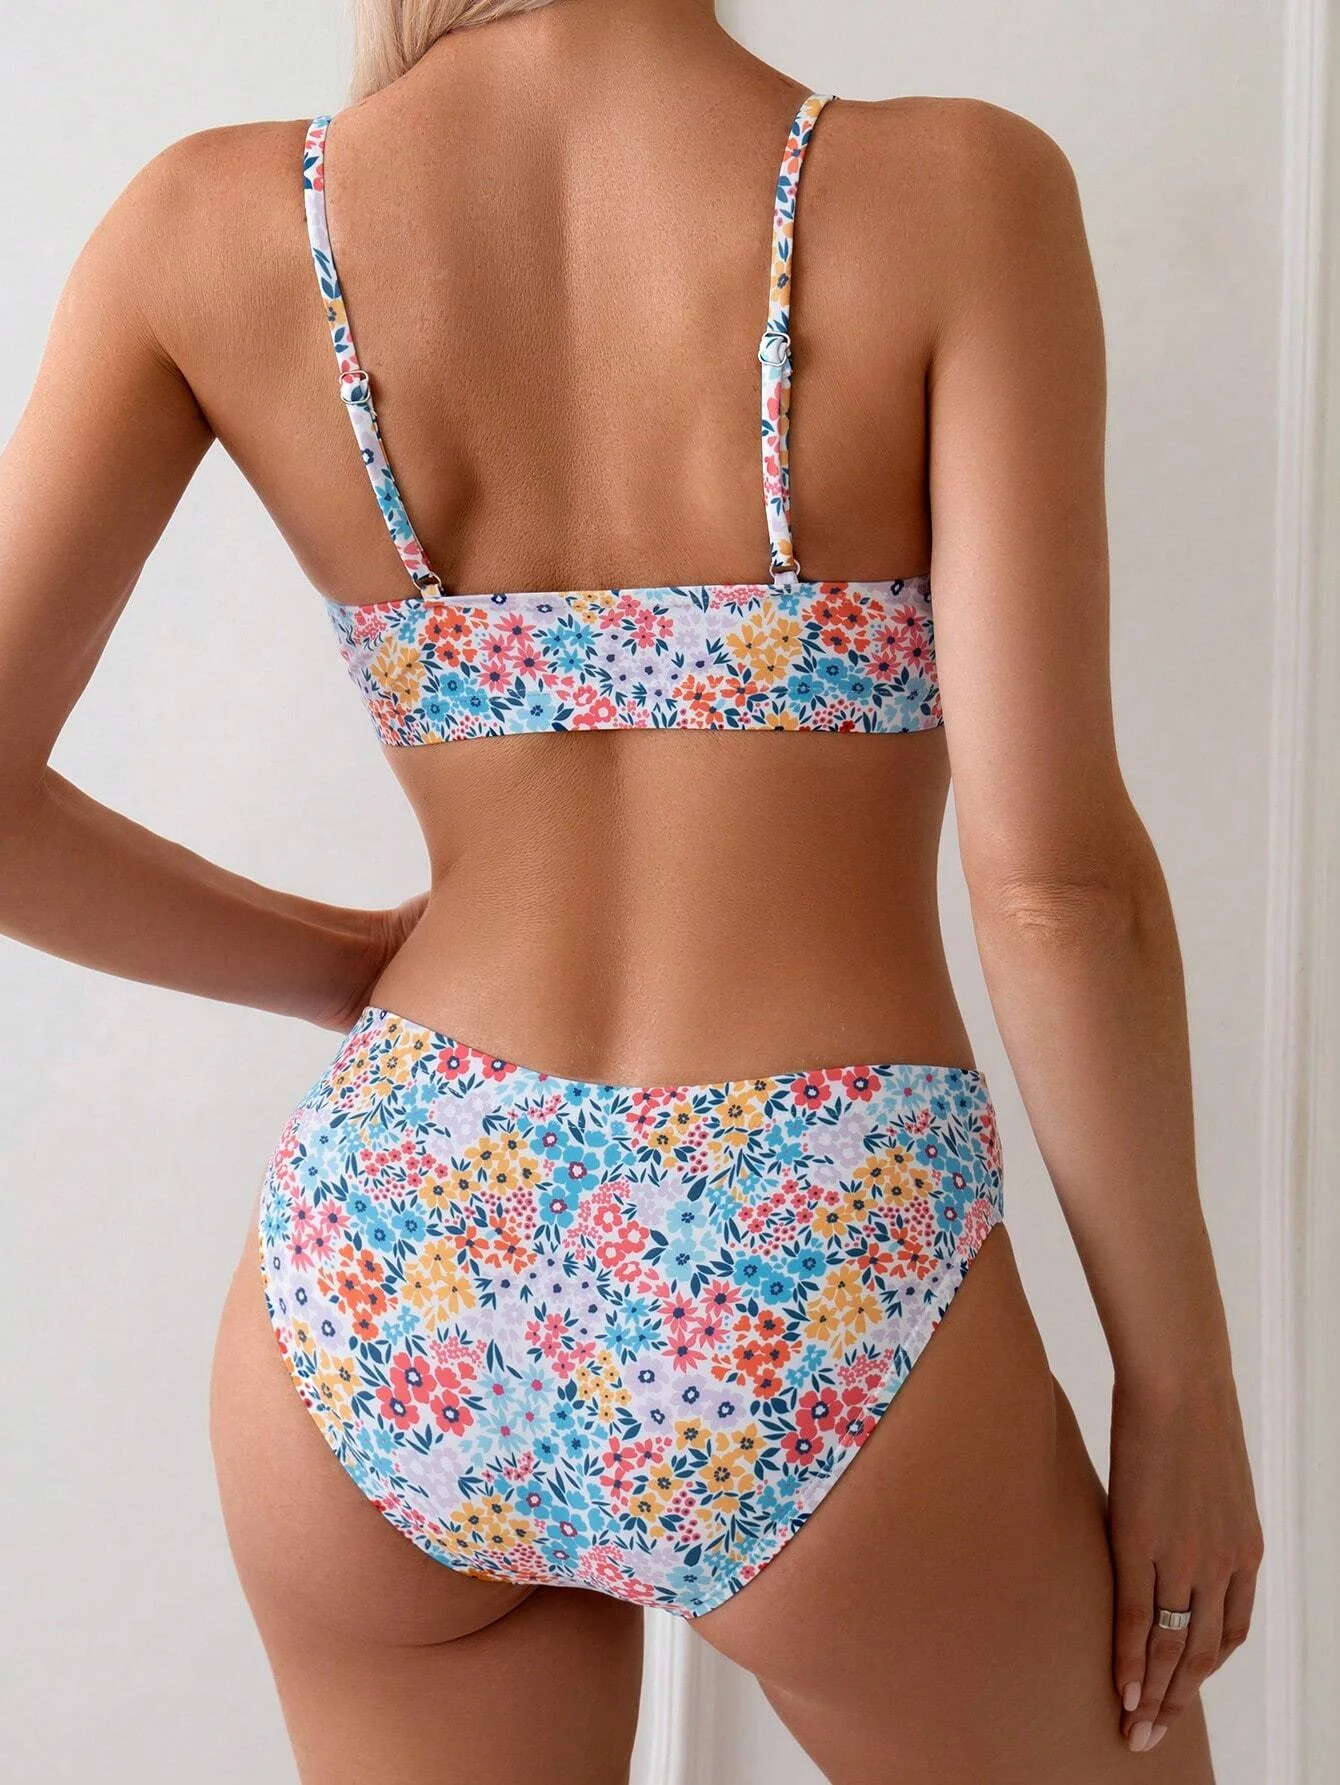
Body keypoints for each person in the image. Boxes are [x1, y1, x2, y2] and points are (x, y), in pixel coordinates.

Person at [0, 1, 1262, 1779]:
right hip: (805, 1253)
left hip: (398, 1243)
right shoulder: (958, 193)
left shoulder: (205, 225)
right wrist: (1179, 1386)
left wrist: (346, 969)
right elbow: (1056, 890)